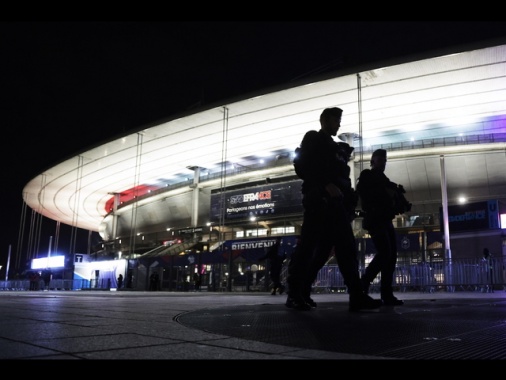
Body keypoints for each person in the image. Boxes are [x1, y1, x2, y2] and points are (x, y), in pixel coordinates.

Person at [285, 107, 382, 312]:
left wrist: (349, 199)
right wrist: (324, 184)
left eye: (339, 120)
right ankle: (295, 294)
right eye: (336, 120)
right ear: (324, 120)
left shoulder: (337, 148)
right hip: (319, 202)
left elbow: (342, 178)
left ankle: (355, 295)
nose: (339, 124)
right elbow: (301, 165)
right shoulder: (314, 138)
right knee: (308, 249)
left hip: (337, 206)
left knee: (344, 249)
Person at [356, 148, 407, 306]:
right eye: (380, 160)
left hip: (384, 219)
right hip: (375, 219)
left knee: (391, 256)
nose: (383, 163)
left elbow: (393, 199)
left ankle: (386, 293)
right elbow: (364, 193)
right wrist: (386, 194)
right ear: (373, 161)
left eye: (385, 160)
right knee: (385, 253)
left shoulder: (386, 180)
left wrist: (398, 201)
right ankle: (364, 283)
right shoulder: (368, 176)